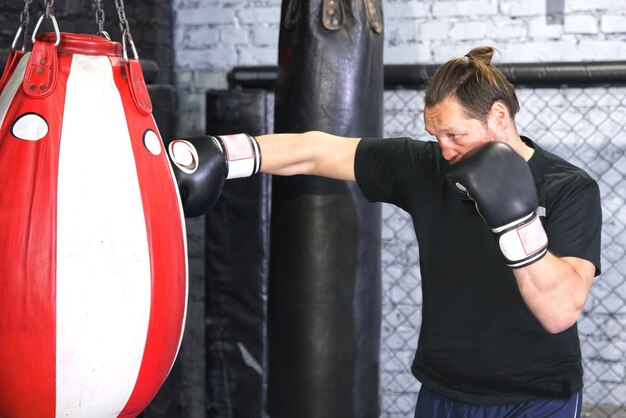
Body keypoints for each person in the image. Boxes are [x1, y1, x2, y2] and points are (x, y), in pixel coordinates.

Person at [168, 46, 602, 416]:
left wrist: (517, 221)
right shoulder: (427, 168)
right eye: (436, 135)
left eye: (455, 134)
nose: (446, 150)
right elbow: (316, 152)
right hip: (443, 390)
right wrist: (227, 152)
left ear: (498, 115)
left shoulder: (568, 188)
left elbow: (560, 310)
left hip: (536, 398)